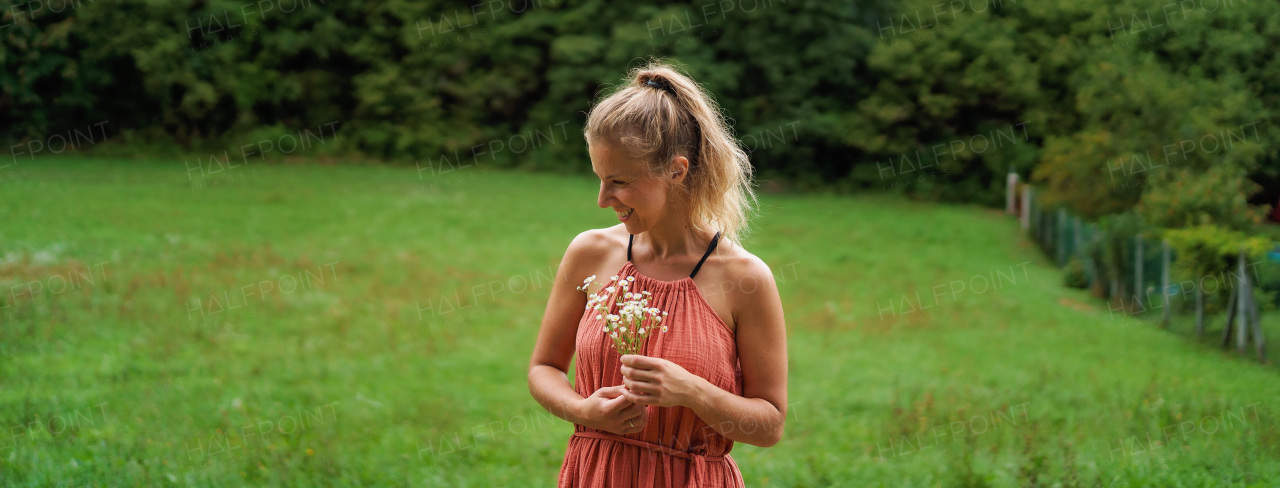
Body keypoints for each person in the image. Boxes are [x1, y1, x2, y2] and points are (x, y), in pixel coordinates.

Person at [527, 62, 789, 487]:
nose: (602, 199)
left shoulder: (745, 278)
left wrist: (692, 391)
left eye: (619, 181)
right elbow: (543, 367)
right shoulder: (590, 253)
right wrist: (583, 410)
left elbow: (770, 425)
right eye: (599, 179)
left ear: (677, 170)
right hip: (595, 475)